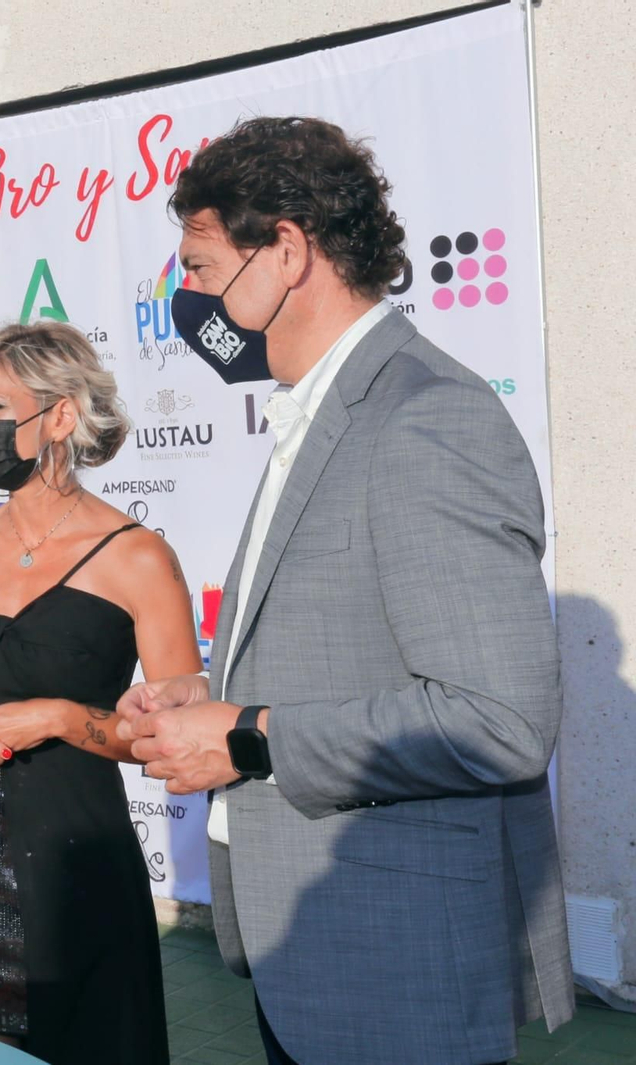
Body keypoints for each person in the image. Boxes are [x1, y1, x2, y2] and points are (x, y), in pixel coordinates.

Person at [116, 116, 573, 1065]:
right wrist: (207, 700)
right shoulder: (324, 412)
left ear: (285, 250)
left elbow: (498, 719)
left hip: (394, 965)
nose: (184, 294)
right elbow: (342, 650)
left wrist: (247, 733)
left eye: (199, 265)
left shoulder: (425, 418)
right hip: (313, 956)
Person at [0, 320, 201, 1063]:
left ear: (61, 415)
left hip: (74, 871)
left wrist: (61, 717)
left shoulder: (138, 557)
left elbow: (182, 732)